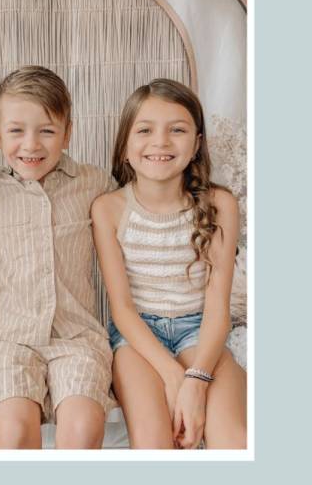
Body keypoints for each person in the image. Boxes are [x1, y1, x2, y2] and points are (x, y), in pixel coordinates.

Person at [91, 79, 246, 449]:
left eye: (177, 130)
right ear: (125, 145)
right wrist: (172, 375)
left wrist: (195, 380)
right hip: (137, 337)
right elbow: (123, 310)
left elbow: (217, 308)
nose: (160, 142)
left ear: (196, 144)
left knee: (234, 440)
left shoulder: (219, 204)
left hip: (201, 329)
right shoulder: (108, 209)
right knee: (153, 445)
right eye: (145, 130)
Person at [0, 66, 114, 449]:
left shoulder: (95, 184)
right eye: (16, 131)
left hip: (77, 336)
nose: (31, 145)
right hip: (10, 339)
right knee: (15, 433)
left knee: (84, 428)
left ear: (68, 132)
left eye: (47, 131)